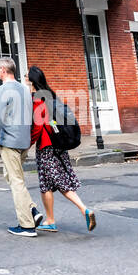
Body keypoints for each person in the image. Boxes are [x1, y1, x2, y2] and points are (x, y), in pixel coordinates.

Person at [27, 66, 95, 233]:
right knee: (52, 182)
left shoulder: (38, 99)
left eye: (27, 78)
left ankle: (83, 210)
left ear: (32, 81)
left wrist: (28, 143)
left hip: (46, 146)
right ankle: (51, 220)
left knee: (51, 183)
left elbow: (38, 126)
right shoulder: (51, 95)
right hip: (59, 144)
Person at [0, 57, 42, 237]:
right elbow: (31, 115)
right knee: (11, 175)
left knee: (16, 181)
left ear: (3, 70)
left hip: (10, 141)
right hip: (24, 141)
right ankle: (32, 209)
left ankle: (27, 226)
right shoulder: (25, 89)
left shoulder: (3, 90)